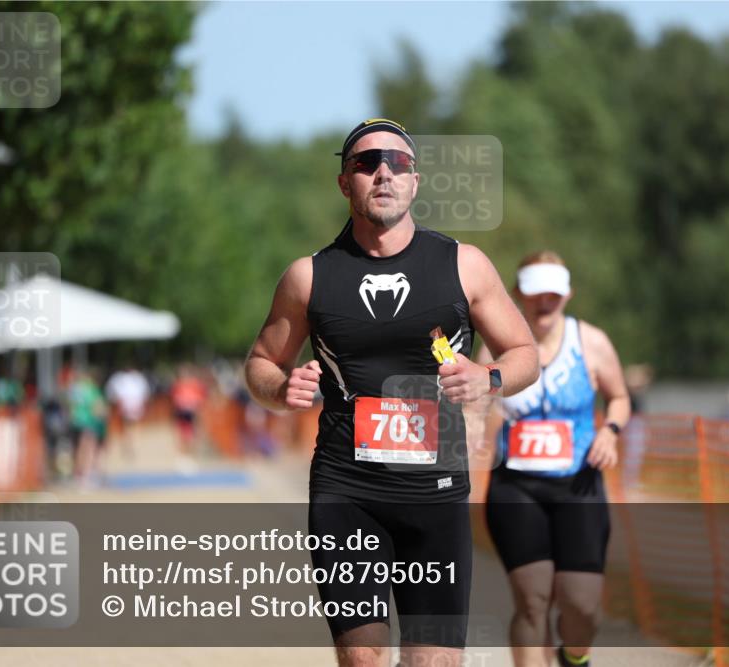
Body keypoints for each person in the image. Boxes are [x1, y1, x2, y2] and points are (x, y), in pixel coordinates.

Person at [244, 118, 539, 667]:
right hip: (347, 491)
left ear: (415, 181)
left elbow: (525, 355)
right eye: (366, 163)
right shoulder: (309, 277)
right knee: (363, 659)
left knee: (435, 662)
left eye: (398, 162)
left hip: (436, 494)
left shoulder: (463, 265)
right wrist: (281, 388)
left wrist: (488, 379)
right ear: (344, 182)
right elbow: (260, 363)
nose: (384, 173)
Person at [468, 251, 630, 667]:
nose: (544, 302)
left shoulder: (591, 342)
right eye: (536, 293)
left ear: (567, 295)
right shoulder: (497, 348)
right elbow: (474, 404)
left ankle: (573, 657)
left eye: (553, 294)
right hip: (516, 487)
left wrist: (610, 432)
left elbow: (619, 397)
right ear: (517, 293)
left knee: (582, 606)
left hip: (578, 484)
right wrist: (470, 430)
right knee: (532, 600)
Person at [105, 364, 152, 459]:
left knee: (130, 426)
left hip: (130, 404)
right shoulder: (127, 378)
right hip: (128, 404)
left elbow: (111, 391)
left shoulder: (130, 378)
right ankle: (129, 445)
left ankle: (130, 445)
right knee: (129, 426)